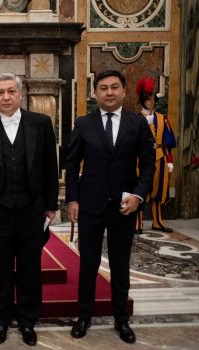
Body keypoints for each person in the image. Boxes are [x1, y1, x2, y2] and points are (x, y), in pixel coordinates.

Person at [66, 70, 155, 344]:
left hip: (124, 205)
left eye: (115, 87)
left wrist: (138, 196)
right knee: (88, 264)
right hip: (90, 205)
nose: (109, 92)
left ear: (124, 91)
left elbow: (149, 165)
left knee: (120, 264)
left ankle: (121, 318)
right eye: (103, 88)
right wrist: (72, 200)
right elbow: (71, 166)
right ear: (95, 93)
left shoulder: (137, 124)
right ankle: (84, 315)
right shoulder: (83, 124)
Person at [0, 73, 59, 346]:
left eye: (11, 91)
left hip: (32, 208)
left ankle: (27, 320)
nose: (6, 97)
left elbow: (49, 168)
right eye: (0, 92)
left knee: (31, 268)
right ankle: (1, 319)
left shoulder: (41, 123)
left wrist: (51, 205)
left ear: (21, 95)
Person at [134, 76, 177, 234]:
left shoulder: (162, 118)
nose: (150, 102)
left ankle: (157, 221)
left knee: (160, 191)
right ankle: (137, 222)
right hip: (141, 159)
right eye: (147, 98)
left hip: (160, 158)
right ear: (142, 100)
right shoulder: (136, 119)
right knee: (141, 190)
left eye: (152, 98)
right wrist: (144, 125)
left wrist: (170, 160)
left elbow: (168, 142)